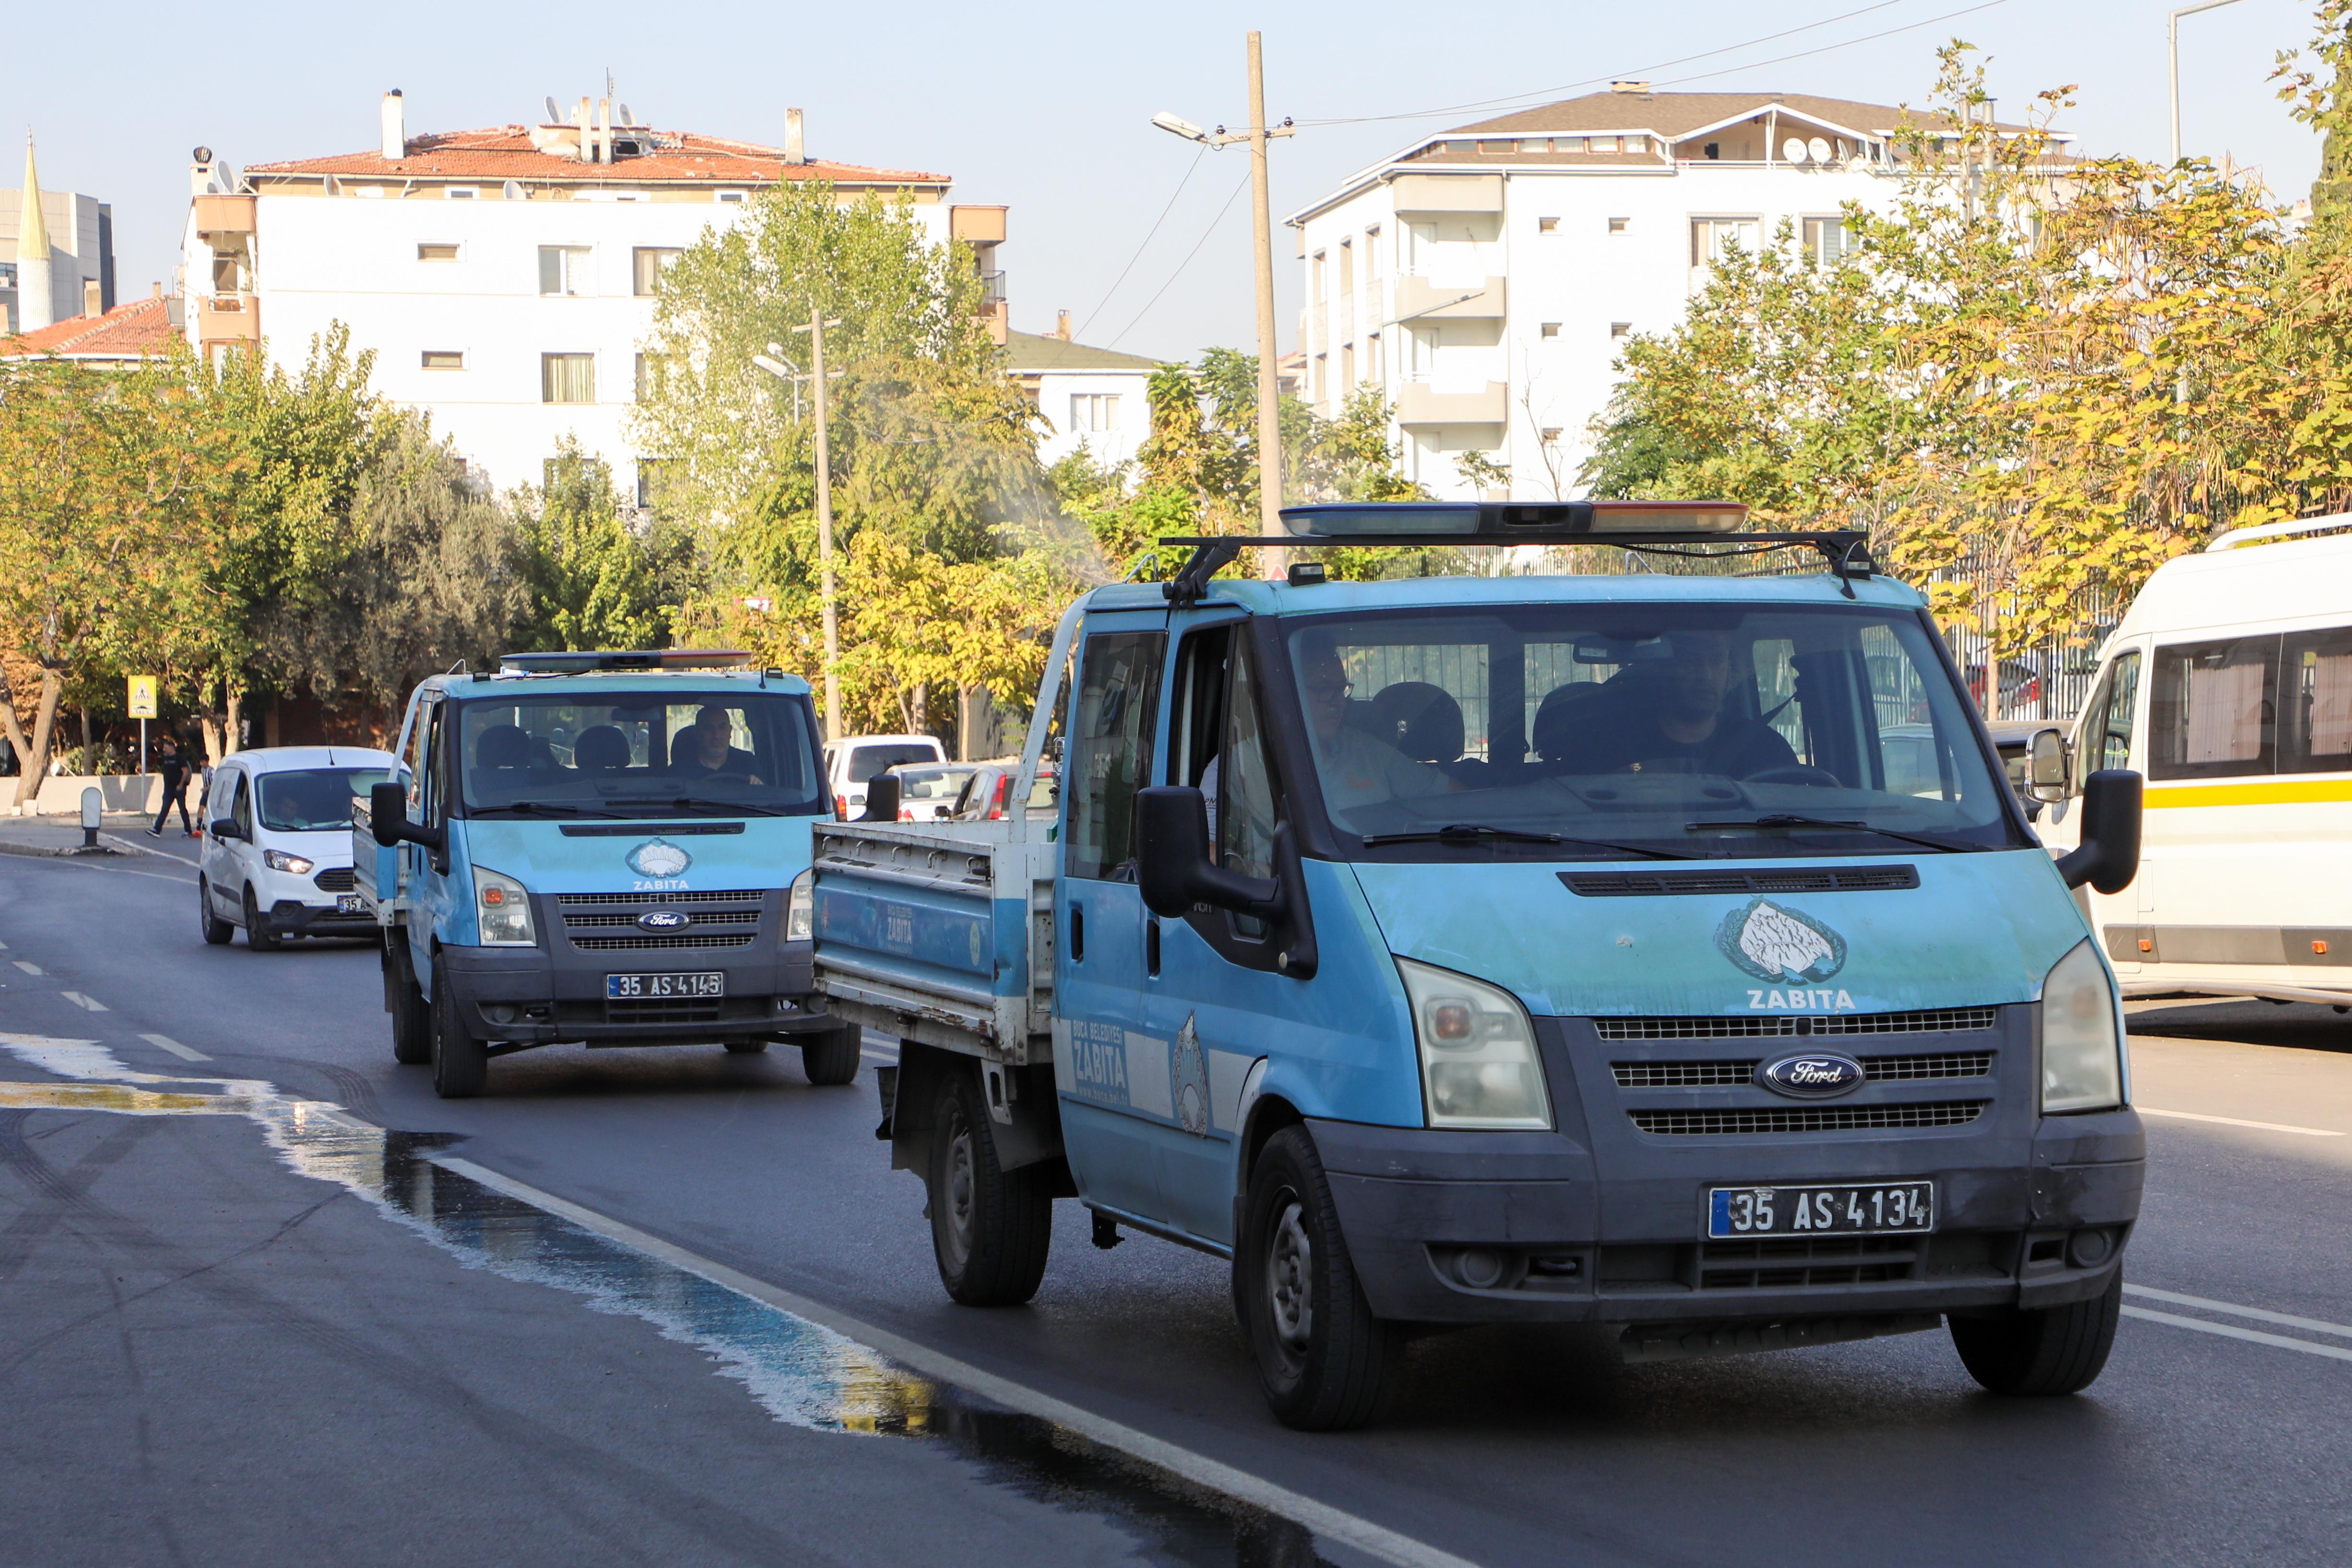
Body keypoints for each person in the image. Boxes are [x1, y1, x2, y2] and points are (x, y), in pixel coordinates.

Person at [1572, 627, 1801, 779]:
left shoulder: (1767, 750)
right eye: (1692, 662)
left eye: (1716, 661)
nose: (1706, 675)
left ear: (1729, 670)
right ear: (1666, 667)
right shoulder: (1612, 748)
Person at [1295, 637, 1449, 822]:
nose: (1339, 702)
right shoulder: (1266, 763)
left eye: (1341, 689)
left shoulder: (1365, 750)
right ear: (1292, 690)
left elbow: (1451, 797)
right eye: (1324, 689)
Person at [670, 705, 764, 784]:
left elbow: (765, 800)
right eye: (709, 728)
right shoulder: (678, 772)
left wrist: (758, 785)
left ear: (730, 731)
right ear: (697, 733)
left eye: (722, 728)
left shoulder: (747, 763)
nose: (716, 736)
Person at [148, 736, 193, 837]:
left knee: (182, 809)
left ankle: (188, 830)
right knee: (165, 809)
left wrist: (181, 785)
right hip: (168, 789)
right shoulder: (166, 759)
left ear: (172, 748)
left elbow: (185, 772)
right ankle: (157, 829)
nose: (164, 749)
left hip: (179, 789)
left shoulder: (179, 758)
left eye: (166, 747)